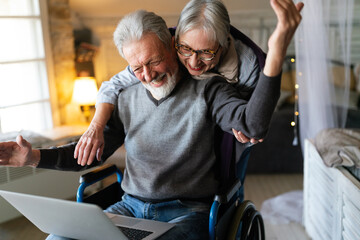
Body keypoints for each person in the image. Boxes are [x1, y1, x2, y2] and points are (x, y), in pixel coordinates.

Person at [0, 5, 303, 240]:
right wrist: (33, 157)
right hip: (129, 207)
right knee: (57, 237)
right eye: (137, 68)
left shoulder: (210, 89)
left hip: (186, 213)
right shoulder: (126, 97)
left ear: (172, 45)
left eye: (154, 61)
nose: (148, 75)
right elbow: (87, 154)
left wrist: (275, 53)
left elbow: (252, 126)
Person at [74, 0, 304, 167]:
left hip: (225, 121)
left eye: (205, 53)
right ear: (176, 39)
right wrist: (95, 127)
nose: (193, 62)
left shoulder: (249, 66)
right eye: (185, 49)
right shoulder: (162, 51)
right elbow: (112, 86)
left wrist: (276, 53)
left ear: (223, 43)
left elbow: (254, 120)